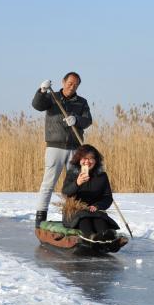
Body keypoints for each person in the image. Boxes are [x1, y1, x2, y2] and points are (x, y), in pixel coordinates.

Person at [32, 72, 92, 227]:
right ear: (63, 82)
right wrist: (41, 91)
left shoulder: (82, 102)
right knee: (48, 183)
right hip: (55, 146)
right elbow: (37, 105)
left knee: (74, 184)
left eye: (76, 84)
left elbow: (88, 120)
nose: (72, 87)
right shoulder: (52, 97)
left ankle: (71, 215)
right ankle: (40, 217)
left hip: (74, 148)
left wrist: (76, 119)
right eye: (70, 83)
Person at [60, 144, 120, 243]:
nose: (87, 161)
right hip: (75, 210)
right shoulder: (73, 173)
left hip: (94, 210)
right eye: (84, 158)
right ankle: (92, 238)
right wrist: (77, 183)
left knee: (100, 219)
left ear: (96, 161)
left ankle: (106, 238)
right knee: (84, 218)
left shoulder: (102, 176)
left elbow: (107, 197)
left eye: (91, 158)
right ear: (79, 160)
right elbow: (65, 192)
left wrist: (98, 206)